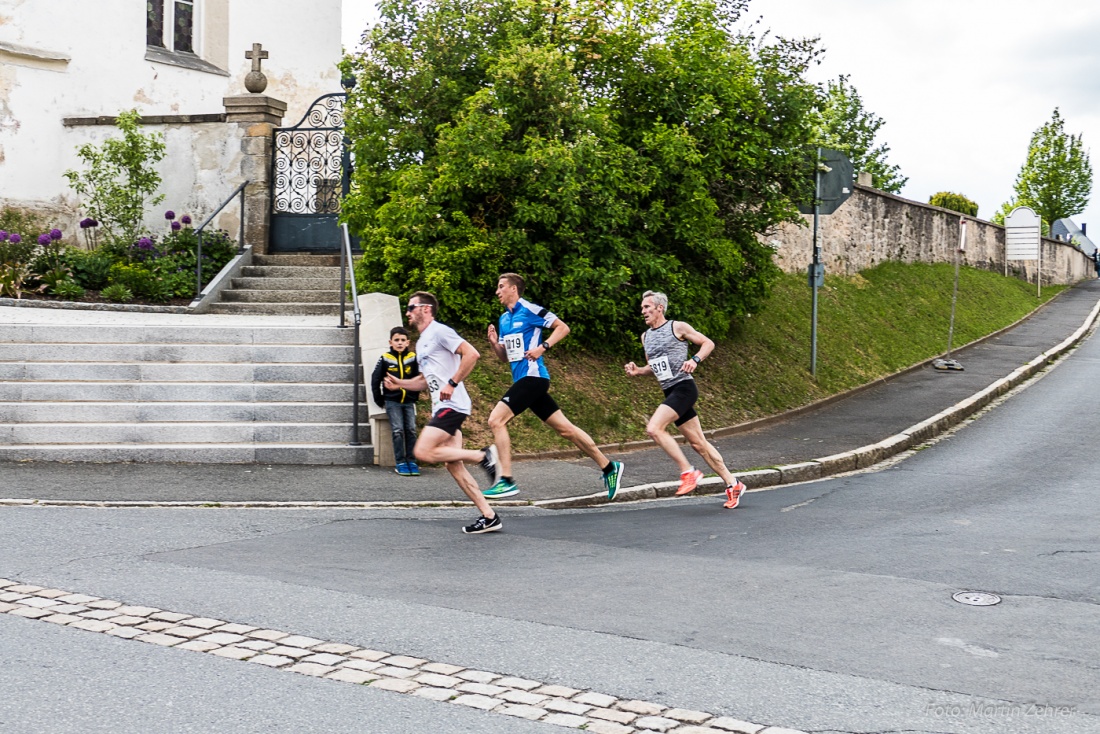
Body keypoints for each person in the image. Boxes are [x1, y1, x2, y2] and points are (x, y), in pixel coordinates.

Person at [484, 273, 625, 500]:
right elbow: (504, 357)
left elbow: (562, 327)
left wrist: (543, 347)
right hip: (523, 381)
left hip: (534, 377)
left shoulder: (530, 310)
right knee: (566, 430)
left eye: (501, 287)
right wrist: (493, 344)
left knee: (495, 420)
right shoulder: (503, 319)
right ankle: (609, 467)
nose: (497, 291)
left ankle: (506, 480)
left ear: (514, 289)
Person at [384, 292, 503, 534]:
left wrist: (453, 382)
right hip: (443, 406)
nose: (407, 312)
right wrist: (400, 384)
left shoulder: (440, 331)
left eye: (411, 307)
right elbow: (424, 381)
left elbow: (472, 354)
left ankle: (484, 456)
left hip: (453, 405)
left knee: (422, 450)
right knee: (453, 464)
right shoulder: (422, 342)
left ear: (425, 309)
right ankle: (489, 516)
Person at [624, 290, 747, 509]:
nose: (643, 311)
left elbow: (708, 343)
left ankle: (688, 472)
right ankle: (733, 483)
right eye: (642, 308)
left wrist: (695, 360)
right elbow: (654, 367)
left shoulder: (677, 327)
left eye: (647, 307)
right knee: (699, 444)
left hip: (684, 388)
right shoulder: (646, 336)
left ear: (659, 308)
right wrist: (637, 371)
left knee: (654, 428)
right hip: (670, 392)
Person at [370, 326, 421, 476]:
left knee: (411, 430)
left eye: (403, 340)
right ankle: (400, 462)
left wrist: (415, 396)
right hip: (393, 402)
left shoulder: (413, 357)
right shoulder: (385, 358)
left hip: (409, 402)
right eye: (396, 340)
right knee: (398, 430)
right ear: (390, 342)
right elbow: (375, 379)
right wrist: (379, 399)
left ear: (408, 342)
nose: (399, 343)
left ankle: (411, 460)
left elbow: (419, 378)